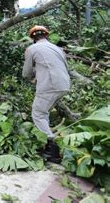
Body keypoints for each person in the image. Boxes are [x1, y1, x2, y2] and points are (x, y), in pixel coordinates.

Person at [22, 25, 71, 163]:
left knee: (37, 113)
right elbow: (65, 67)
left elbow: (26, 73)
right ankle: (47, 143)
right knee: (44, 112)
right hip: (64, 84)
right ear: (46, 36)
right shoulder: (58, 49)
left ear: (33, 38)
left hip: (50, 85)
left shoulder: (32, 49)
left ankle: (52, 149)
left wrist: (32, 75)